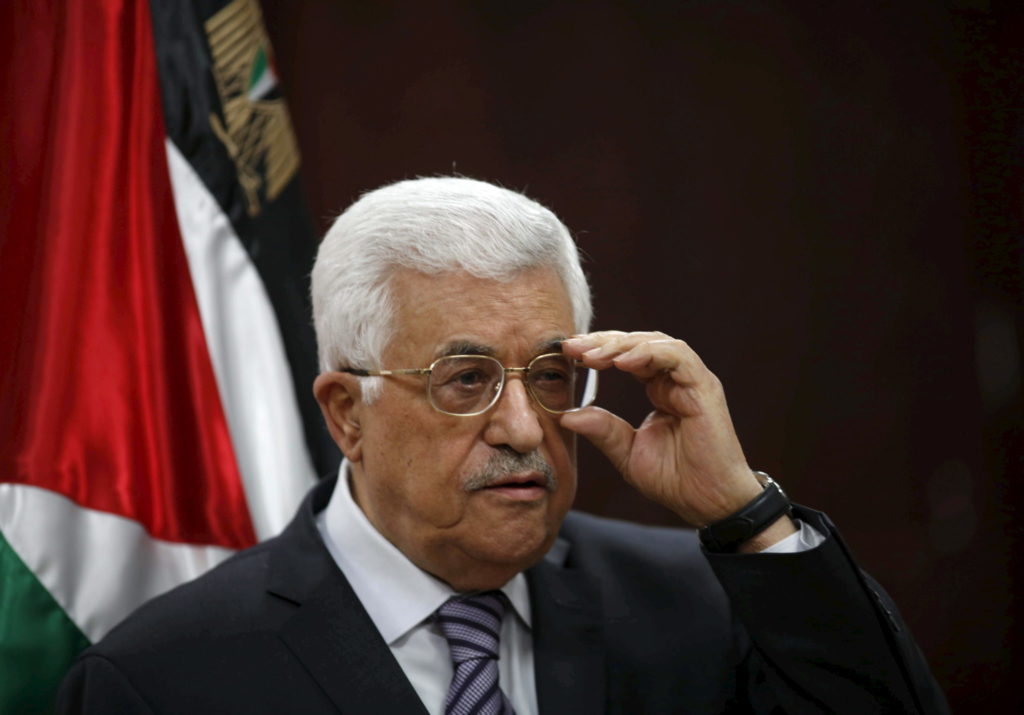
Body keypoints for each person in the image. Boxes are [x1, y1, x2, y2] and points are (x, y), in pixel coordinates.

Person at [58, 177, 948, 713]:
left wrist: (747, 515)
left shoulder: (697, 605)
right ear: (347, 413)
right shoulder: (160, 679)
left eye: (552, 376)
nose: (525, 428)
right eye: (465, 379)